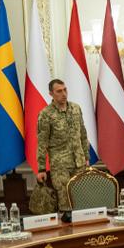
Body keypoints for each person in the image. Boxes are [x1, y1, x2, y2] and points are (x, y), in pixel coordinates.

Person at [36, 79, 92, 210]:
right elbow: (42, 143)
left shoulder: (76, 108)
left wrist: (86, 157)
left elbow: (83, 134)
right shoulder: (46, 114)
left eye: (65, 90)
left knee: (82, 202)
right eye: (59, 91)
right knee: (66, 204)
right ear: (51, 94)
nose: (64, 94)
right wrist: (41, 169)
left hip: (79, 163)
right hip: (60, 167)